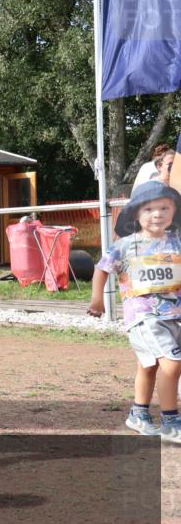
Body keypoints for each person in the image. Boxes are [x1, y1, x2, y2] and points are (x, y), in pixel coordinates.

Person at [88, 181, 181, 443]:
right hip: (144, 317)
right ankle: (171, 421)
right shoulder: (125, 245)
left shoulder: (177, 242)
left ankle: (139, 414)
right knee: (172, 364)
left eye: (164, 208)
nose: (157, 214)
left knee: (149, 365)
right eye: (149, 209)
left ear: (174, 211)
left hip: (174, 316)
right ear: (136, 214)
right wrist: (97, 300)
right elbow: (102, 268)